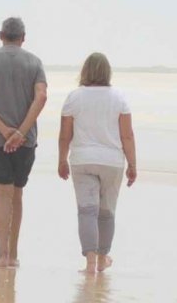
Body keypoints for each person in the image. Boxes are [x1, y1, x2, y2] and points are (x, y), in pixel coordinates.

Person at [0, 17, 48, 268]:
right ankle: (13, 254)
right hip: (26, 141)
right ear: (23, 37)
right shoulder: (34, 62)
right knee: (17, 195)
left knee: (2, 195)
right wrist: (21, 132)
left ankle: (1, 254)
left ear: (0, 35)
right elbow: (41, 98)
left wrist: (5, 131)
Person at [57, 52, 137, 273]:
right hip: (112, 161)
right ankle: (103, 259)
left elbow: (65, 135)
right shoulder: (119, 98)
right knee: (106, 212)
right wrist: (132, 164)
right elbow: (127, 135)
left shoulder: (74, 97)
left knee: (86, 211)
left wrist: (62, 159)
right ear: (107, 72)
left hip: (82, 160)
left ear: (85, 71)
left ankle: (90, 262)